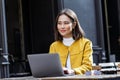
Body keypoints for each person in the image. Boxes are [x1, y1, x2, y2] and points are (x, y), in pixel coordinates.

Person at [49, 8, 93, 75]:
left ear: (74, 25)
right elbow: (51, 68)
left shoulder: (86, 43)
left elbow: (88, 66)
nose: (62, 26)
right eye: (59, 23)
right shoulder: (54, 46)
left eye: (66, 23)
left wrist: (72, 71)